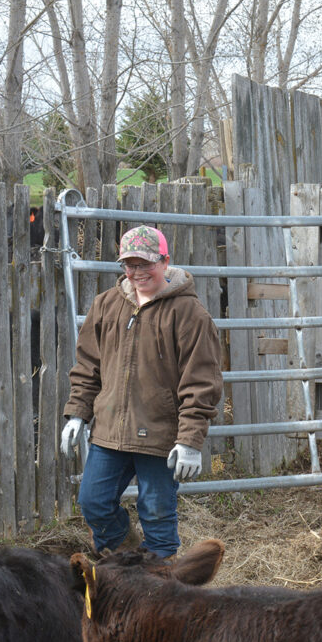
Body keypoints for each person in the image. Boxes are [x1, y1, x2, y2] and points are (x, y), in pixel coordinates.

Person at [61, 225, 223, 558]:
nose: (137, 272)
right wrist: (78, 413)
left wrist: (189, 441)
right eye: (129, 264)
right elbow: (88, 367)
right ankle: (129, 562)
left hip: (161, 436)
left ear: (165, 262)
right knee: (93, 503)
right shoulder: (106, 305)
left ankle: (162, 585)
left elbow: (201, 383)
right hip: (109, 432)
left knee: (157, 515)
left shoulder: (190, 315)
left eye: (146, 263)